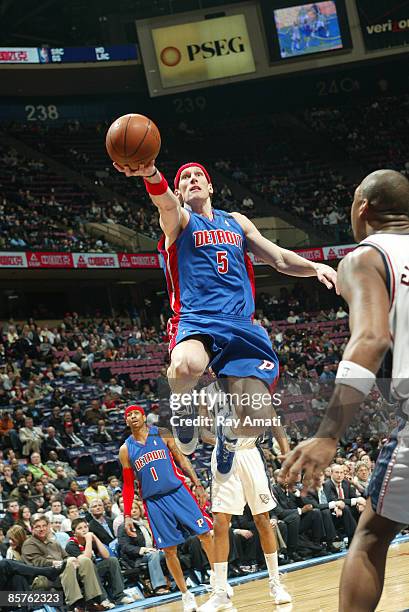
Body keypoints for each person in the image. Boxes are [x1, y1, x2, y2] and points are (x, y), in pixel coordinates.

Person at [114, 159, 337, 467]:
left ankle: (226, 434)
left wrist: (315, 267)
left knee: (258, 419)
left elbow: (279, 260)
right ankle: (182, 409)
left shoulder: (237, 221)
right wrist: (151, 174)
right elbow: (163, 203)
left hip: (241, 325)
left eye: (198, 175)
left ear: (210, 187)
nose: (192, 179)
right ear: (177, 192)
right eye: (184, 178)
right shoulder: (178, 220)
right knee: (184, 365)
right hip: (198, 318)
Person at [283, 169, 409, 611]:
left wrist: (328, 433)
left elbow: (372, 338)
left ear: (362, 209)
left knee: (372, 536)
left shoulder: (365, 257)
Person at [198, 394, 291, 610]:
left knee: (262, 519)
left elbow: (274, 421)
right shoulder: (207, 395)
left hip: (250, 455)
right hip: (224, 457)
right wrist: (223, 441)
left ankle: (276, 584)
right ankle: (220, 592)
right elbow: (203, 432)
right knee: (220, 522)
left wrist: (286, 453)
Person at [119, 404, 215, 612]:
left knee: (205, 534)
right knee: (170, 550)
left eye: (136, 413)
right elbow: (127, 485)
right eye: (128, 415)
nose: (132, 417)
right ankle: (185, 594)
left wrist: (197, 484)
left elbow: (181, 459)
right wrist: (127, 515)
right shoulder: (126, 449)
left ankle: (219, 580)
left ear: (144, 417)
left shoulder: (162, 433)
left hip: (178, 492)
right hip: (154, 502)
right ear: (126, 422)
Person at [21, 513, 107, 612]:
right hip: (44, 577)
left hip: (63, 572)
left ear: (48, 526)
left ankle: (92, 601)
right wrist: (61, 563)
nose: (42, 529)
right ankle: (74, 605)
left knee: (84, 560)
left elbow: (66, 556)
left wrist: (73, 560)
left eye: (44, 526)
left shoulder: (53, 543)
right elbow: (38, 562)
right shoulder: (29, 544)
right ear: (32, 529)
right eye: (37, 527)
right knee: (68, 564)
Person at [66, 517, 135, 607]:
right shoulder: (71, 544)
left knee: (112, 561)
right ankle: (103, 600)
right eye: (80, 528)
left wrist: (95, 538)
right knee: (91, 566)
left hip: (93, 569)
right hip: (80, 575)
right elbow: (86, 560)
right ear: (74, 533)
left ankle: (120, 596)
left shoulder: (90, 539)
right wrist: (89, 540)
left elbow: (106, 555)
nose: (84, 530)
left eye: (85, 527)